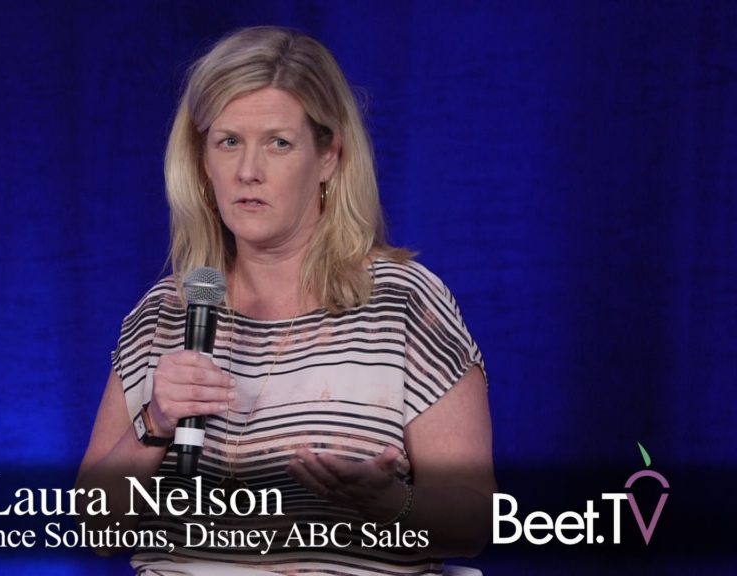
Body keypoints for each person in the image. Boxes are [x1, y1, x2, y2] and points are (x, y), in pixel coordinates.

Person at [76, 26, 495, 575]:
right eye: (228, 142)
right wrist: (154, 424)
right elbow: (95, 528)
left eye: (278, 143)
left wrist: (392, 505)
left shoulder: (403, 304)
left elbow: (474, 524)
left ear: (328, 158)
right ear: (201, 161)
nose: (248, 171)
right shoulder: (164, 314)